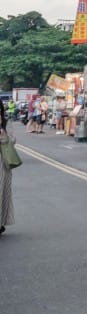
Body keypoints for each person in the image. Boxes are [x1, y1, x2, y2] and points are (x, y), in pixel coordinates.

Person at [0, 100, 14, 236]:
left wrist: (2, 131)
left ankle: (1, 222)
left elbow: (12, 140)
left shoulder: (5, 122)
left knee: (2, 193)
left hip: (3, 164)